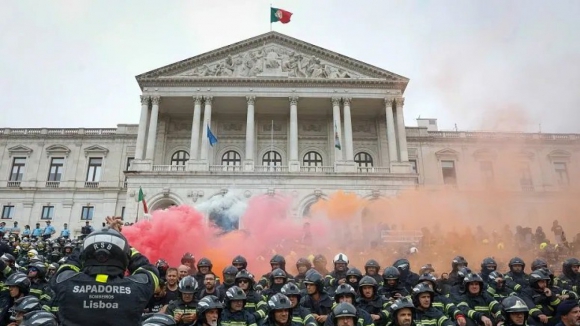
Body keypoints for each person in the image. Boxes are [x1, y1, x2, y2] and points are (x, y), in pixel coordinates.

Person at [51, 216, 159, 325]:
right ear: (123, 256)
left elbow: (71, 263)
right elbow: (148, 269)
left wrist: (96, 241)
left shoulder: (65, 282)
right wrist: (120, 242)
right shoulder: (137, 288)